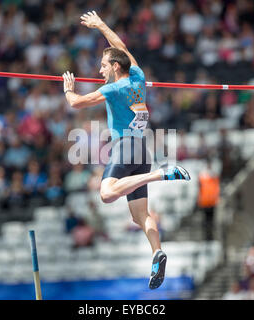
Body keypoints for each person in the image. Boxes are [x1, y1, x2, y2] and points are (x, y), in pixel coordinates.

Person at [62, 11, 191, 290]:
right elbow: (121, 49)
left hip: (126, 147)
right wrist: (101, 26)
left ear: (115, 68)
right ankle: (157, 252)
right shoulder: (137, 75)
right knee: (139, 215)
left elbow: (76, 104)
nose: (100, 71)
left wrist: (68, 89)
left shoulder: (113, 89)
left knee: (107, 193)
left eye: (103, 66)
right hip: (141, 149)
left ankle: (160, 175)